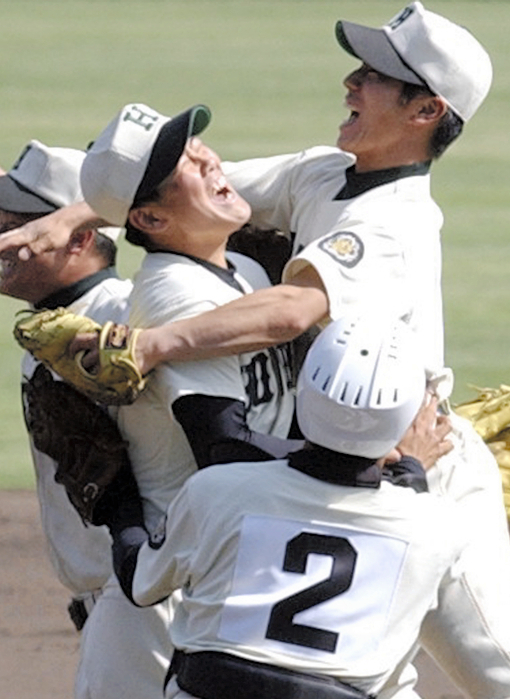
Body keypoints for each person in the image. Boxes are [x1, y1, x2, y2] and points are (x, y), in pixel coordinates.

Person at [1, 3, 509, 695]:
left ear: (425, 110)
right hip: (349, 473)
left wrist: (149, 344)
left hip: (418, 465)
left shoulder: (390, 220)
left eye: (374, 75)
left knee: (495, 667)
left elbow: (294, 307)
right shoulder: (324, 173)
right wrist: (72, 212)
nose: (351, 82)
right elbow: (222, 179)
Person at [78, 315, 502, 699]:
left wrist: (116, 495)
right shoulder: (438, 526)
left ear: (305, 391)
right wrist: (409, 469)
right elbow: (398, 519)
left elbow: (141, 582)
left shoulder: (217, 489)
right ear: (407, 421)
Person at [0, 140, 173, 699]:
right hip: (122, 603)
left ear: (78, 237)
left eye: (15, 222)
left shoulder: (120, 321)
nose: (1, 236)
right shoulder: (55, 328)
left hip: (144, 598)